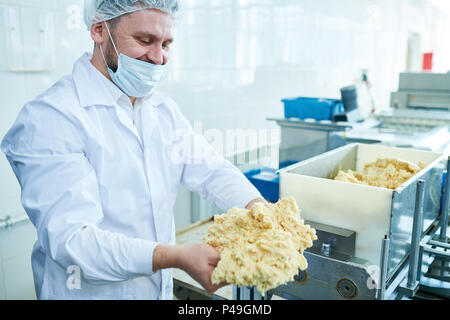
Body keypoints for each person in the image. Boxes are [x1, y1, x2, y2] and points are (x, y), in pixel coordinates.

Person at [1, 0, 266, 300]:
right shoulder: (51, 118)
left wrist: (256, 206)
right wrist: (175, 257)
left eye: (166, 43)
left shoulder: (161, 109)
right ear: (99, 30)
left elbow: (208, 169)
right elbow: (74, 242)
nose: (158, 58)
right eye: (145, 40)